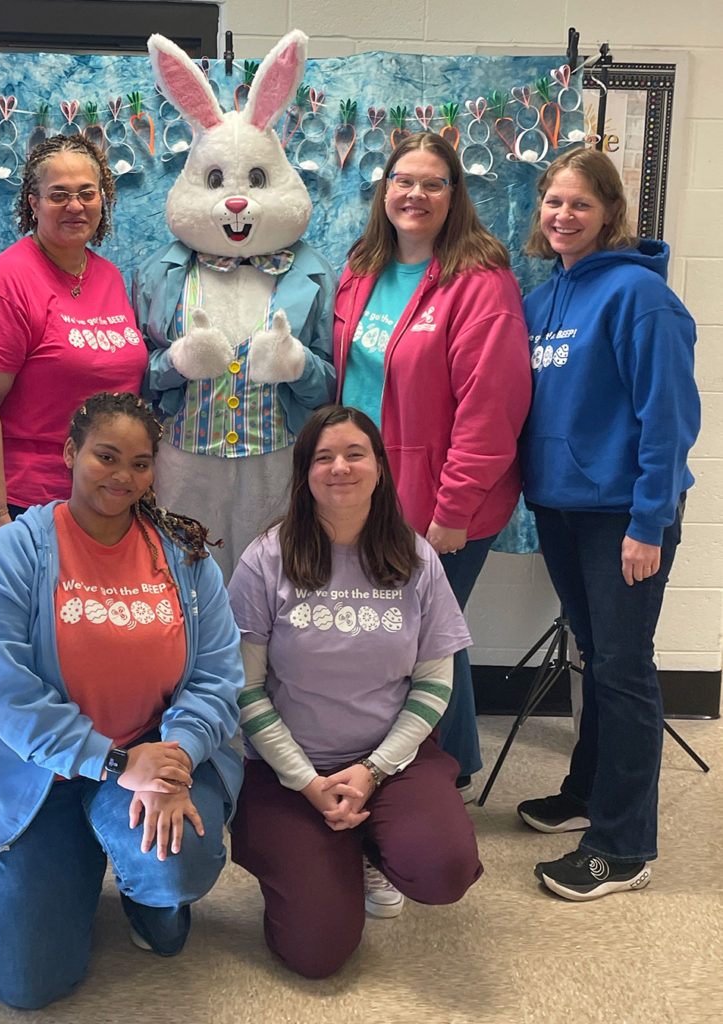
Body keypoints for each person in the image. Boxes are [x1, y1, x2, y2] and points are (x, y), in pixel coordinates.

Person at [0, 392, 244, 1009]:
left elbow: (219, 677)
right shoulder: (14, 552)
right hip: (41, 770)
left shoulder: (186, 558)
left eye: (140, 463)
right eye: (105, 456)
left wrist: (173, 760)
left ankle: (144, 892)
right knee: (27, 986)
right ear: (69, 452)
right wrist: (114, 764)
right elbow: (3, 692)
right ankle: (69, 853)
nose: (123, 477)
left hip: (153, 759)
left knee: (176, 866)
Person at [227, 405, 482, 979]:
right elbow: (244, 690)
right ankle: (326, 853)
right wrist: (308, 782)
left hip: (391, 763)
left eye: (354, 454)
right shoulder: (265, 559)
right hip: (290, 770)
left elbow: (435, 683)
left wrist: (374, 770)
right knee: (315, 954)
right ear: (304, 473)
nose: (339, 467)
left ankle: (366, 844)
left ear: (380, 468)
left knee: (443, 870)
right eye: (323, 457)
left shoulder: (417, 559)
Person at [517, 148, 700, 901]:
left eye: (580, 204)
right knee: (594, 655)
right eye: (553, 202)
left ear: (609, 212)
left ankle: (623, 848)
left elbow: (669, 419)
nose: (563, 216)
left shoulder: (638, 298)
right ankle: (586, 794)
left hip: (625, 514)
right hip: (561, 509)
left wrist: (649, 521)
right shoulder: (540, 299)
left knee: (624, 669)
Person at [333, 132, 531, 800]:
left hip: (444, 503)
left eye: (432, 183)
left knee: (428, 639)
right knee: (419, 639)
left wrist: (454, 510)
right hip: (366, 496)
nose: (414, 194)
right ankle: (445, 766)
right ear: (384, 189)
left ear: (454, 196)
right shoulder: (362, 267)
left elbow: (491, 407)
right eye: (402, 180)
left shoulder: (479, 280)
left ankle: (443, 777)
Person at [0, 134, 147, 545]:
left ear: (102, 200)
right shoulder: (3, 283)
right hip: (27, 502)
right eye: (58, 194)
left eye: (86, 193)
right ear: (33, 203)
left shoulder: (108, 275)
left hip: (105, 497)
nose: (75, 206)